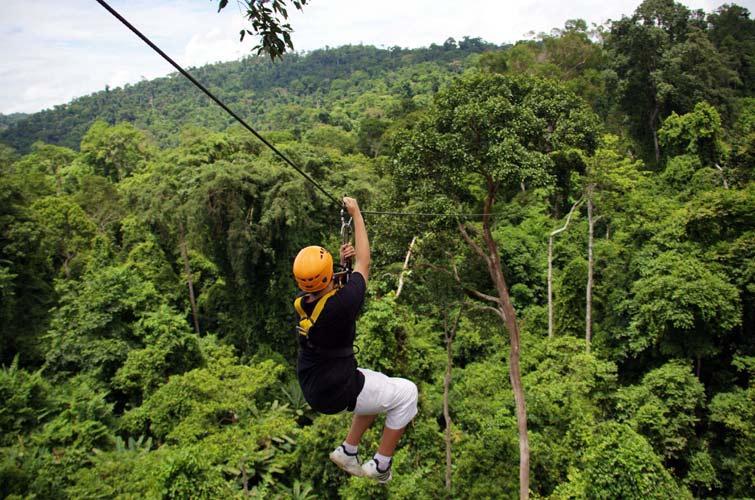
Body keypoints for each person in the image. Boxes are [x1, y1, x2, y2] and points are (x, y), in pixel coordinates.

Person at [292, 196, 418, 483]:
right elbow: (365, 262)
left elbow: (331, 284)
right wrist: (356, 214)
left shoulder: (303, 300)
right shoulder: (342, 304)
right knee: (407, 393)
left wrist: (342, 264)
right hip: (336, 388)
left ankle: (349, 450)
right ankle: (381, 465)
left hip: (315, 382)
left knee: (375, 385)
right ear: (326, 277)